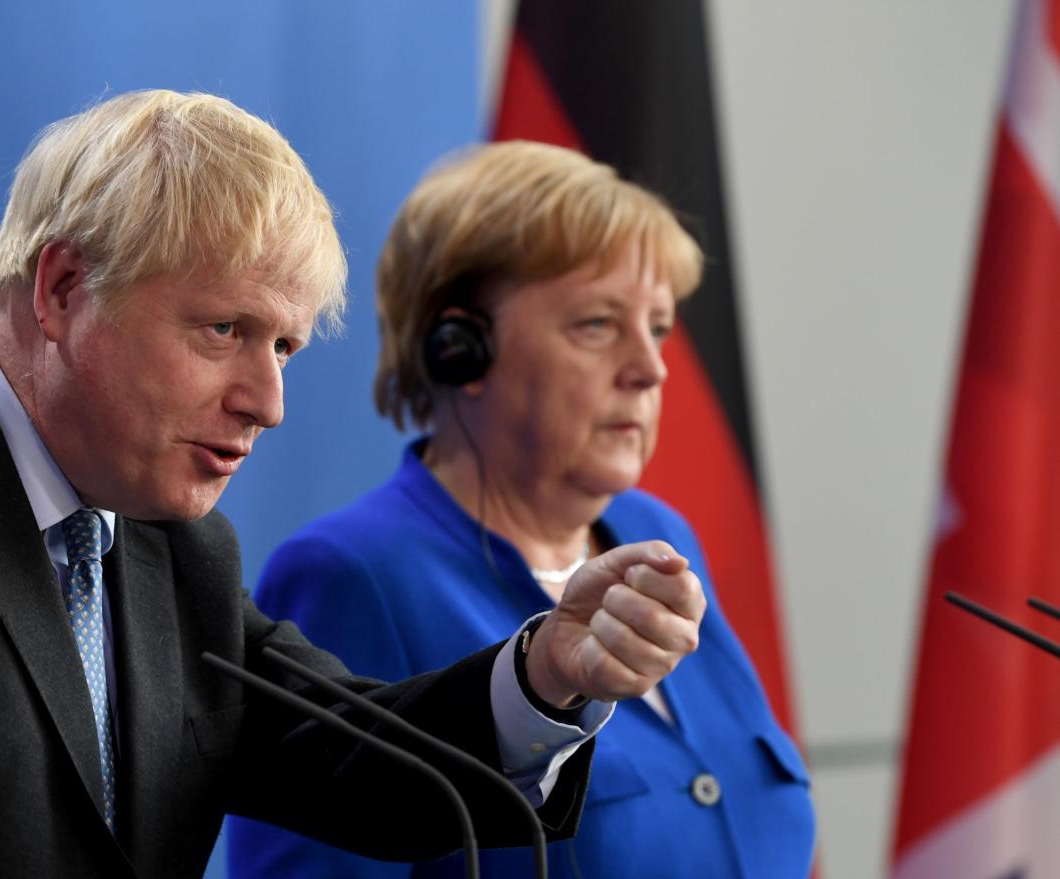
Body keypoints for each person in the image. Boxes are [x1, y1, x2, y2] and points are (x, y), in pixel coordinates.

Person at [0, 91, 708, 879]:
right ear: (61, 286)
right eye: (222, 329)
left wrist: (547, 673)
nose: (268, 403)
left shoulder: (176, 543)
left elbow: (363, 761)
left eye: (282, 346)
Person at [230, 141, 816, 877]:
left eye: (659, 326)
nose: (651, 368)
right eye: (598, 324)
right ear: (460, 349)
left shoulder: (656, 534)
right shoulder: (354, 574)